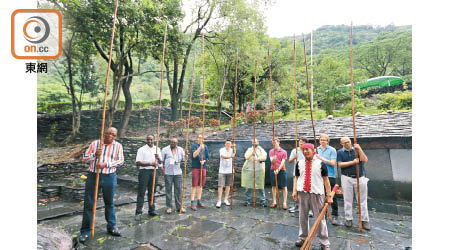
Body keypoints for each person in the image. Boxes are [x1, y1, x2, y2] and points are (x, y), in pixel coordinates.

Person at [78, 127, 124, 244]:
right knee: (89, 203)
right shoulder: (95, 143)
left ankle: (112, 226)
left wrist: (106, 164)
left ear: (115, 137)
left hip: (109, 176)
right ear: (104, 134)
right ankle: (85, 231)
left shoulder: (118, 146)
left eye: (113, 134)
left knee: (109, 203)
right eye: (108, 133)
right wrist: (95, 154)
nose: (110, 136)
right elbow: (84, 158)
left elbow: (121, 161)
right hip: (94, 176)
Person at [292, 143, 332, 250]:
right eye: (303, 150)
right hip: (302, 193)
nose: (305, 151)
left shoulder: (321, 164)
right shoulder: (299, 163)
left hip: (317, 193)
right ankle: (303, 237)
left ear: (313, 150)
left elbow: (326, 180)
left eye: (307, 149)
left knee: (319, 218)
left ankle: (324, 243)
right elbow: (296, 178)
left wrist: (329, 195)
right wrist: (294, 191)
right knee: (302, 216)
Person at [337, 137, 370, 230]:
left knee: (362, 200)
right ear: (341, 144)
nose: (347, 144)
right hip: (347, 177)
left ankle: (364, 220)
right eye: (344, 143)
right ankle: (348, 218)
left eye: (348, 142)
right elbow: (340, 164)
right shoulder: (340, 152)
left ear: (351, 141)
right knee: (347, 199)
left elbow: (364, 159)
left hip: (360, 177)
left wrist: (359, 149)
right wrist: (353, 162)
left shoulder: (357, 150)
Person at [135, 135, 162, 221]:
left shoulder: (157, 149)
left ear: (154, 140)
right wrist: (150, 163)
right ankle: (138, 212)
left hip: (154, 172)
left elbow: (160, 162)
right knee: (141, 192)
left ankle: (151, 210)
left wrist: (158, 158)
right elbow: (138, 162)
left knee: (152, 192)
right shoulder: (141, 149)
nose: (149, 141)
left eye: (151, 139)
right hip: (144, 172)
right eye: (148, 139)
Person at [316, 134, 339, 225]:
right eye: (321, 139)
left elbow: (333, 163)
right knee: (320, 195)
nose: (323, 141)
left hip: (330, 175)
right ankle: (323, 215)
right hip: (319, 175)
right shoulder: (316, 150)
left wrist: (322, 159)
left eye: (325, 140)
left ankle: (335, 215)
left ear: (328, 141)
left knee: (332, 196)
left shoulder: (332, 150)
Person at [161, 138, 186, 214]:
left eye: (174, 143)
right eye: (171, 142)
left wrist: (186, 155)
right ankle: (169, 207)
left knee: (178, 190)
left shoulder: (181, 150)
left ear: (177, 143)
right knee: (168, 190)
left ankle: (179, 207)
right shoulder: (165, 149)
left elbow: (184, 160)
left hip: (178, 172)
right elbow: (161, 161)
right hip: (168, 173)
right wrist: (162, 169)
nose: (173, 144)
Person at [242, 138, 268, 206]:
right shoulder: (249, 149)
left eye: (255, 142)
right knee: (249, 186)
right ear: (252, 143)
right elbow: (246, 157)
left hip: (259, 170)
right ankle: (247, 200)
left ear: (258, 142)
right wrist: (251, 154)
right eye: (253, 142)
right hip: (250, 170)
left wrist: (257, 159)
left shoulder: (261, 149)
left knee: (260, 186)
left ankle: (262, 200)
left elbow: (264, 158)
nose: (254, 143)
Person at [190, 134, 209, 210]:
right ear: (197, 138)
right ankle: (192, 202)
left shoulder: (206, 147)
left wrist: (204, 161)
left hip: (203, 167)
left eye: (201, 138)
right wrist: (199, 148)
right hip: (195, 167)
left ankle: (199, 200)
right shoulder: (194, 146)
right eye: (199, 138)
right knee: (194, 185)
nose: (200, 139)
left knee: (200, 185)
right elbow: (194, 155)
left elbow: (208, 157)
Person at [288, 137, 307, 213]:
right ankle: (295, 206)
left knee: (306, 191)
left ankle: (307, 208)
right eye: (300, 142)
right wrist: (294, 157)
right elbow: (289, 161)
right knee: (295, 190)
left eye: (303, 142)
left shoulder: (307, 150)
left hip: (306, 173)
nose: (301, 143)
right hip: (296, 173)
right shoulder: (294, 150)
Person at [269, 138, 288, 209]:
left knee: (284, 186)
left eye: (275, 142)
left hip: (282, 170)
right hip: (273, 170)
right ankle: (274, 202)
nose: (274, 144)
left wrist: (278, 169)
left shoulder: (284, 152)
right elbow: (272, 161)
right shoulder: (271, 151)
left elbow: (283, 162)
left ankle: (284, 203)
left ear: (278, 142)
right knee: (273, 186)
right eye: (273, 143)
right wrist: (273, 160)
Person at [216, 139, 236, 208]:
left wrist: (234, 147)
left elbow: (234, 153)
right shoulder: (222, 150)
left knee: (228, 185)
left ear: (230, 144)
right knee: (220, 185)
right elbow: (223, 156)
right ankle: (219, 201)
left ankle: (226, 199)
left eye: (229, 143)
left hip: (230, 170)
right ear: (225, 144)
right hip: (222, 170)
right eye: (226, 143)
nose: (228, 145)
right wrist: (231, 157)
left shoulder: (231, 150)